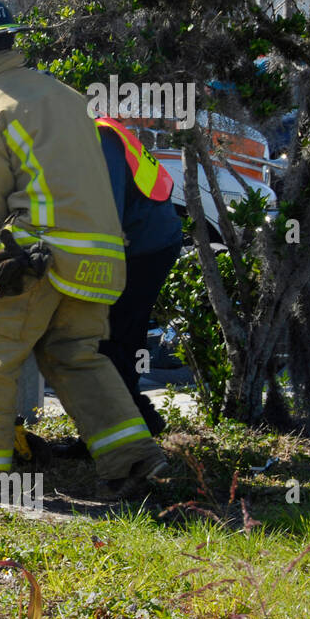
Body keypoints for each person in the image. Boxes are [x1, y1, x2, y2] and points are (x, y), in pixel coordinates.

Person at [0, 0, 166, 498]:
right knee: (76, 355)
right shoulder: (67, 97)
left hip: (36, 259)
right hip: (101, 258)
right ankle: (132, 459)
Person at [95, 116, 183, 436]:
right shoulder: (98, 132)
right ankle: (139, 422)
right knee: (120, 336)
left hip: (145, 246)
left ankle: (129, 426)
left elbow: (107, 212)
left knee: (112, 336)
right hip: (151, 238)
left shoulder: (100, 139)